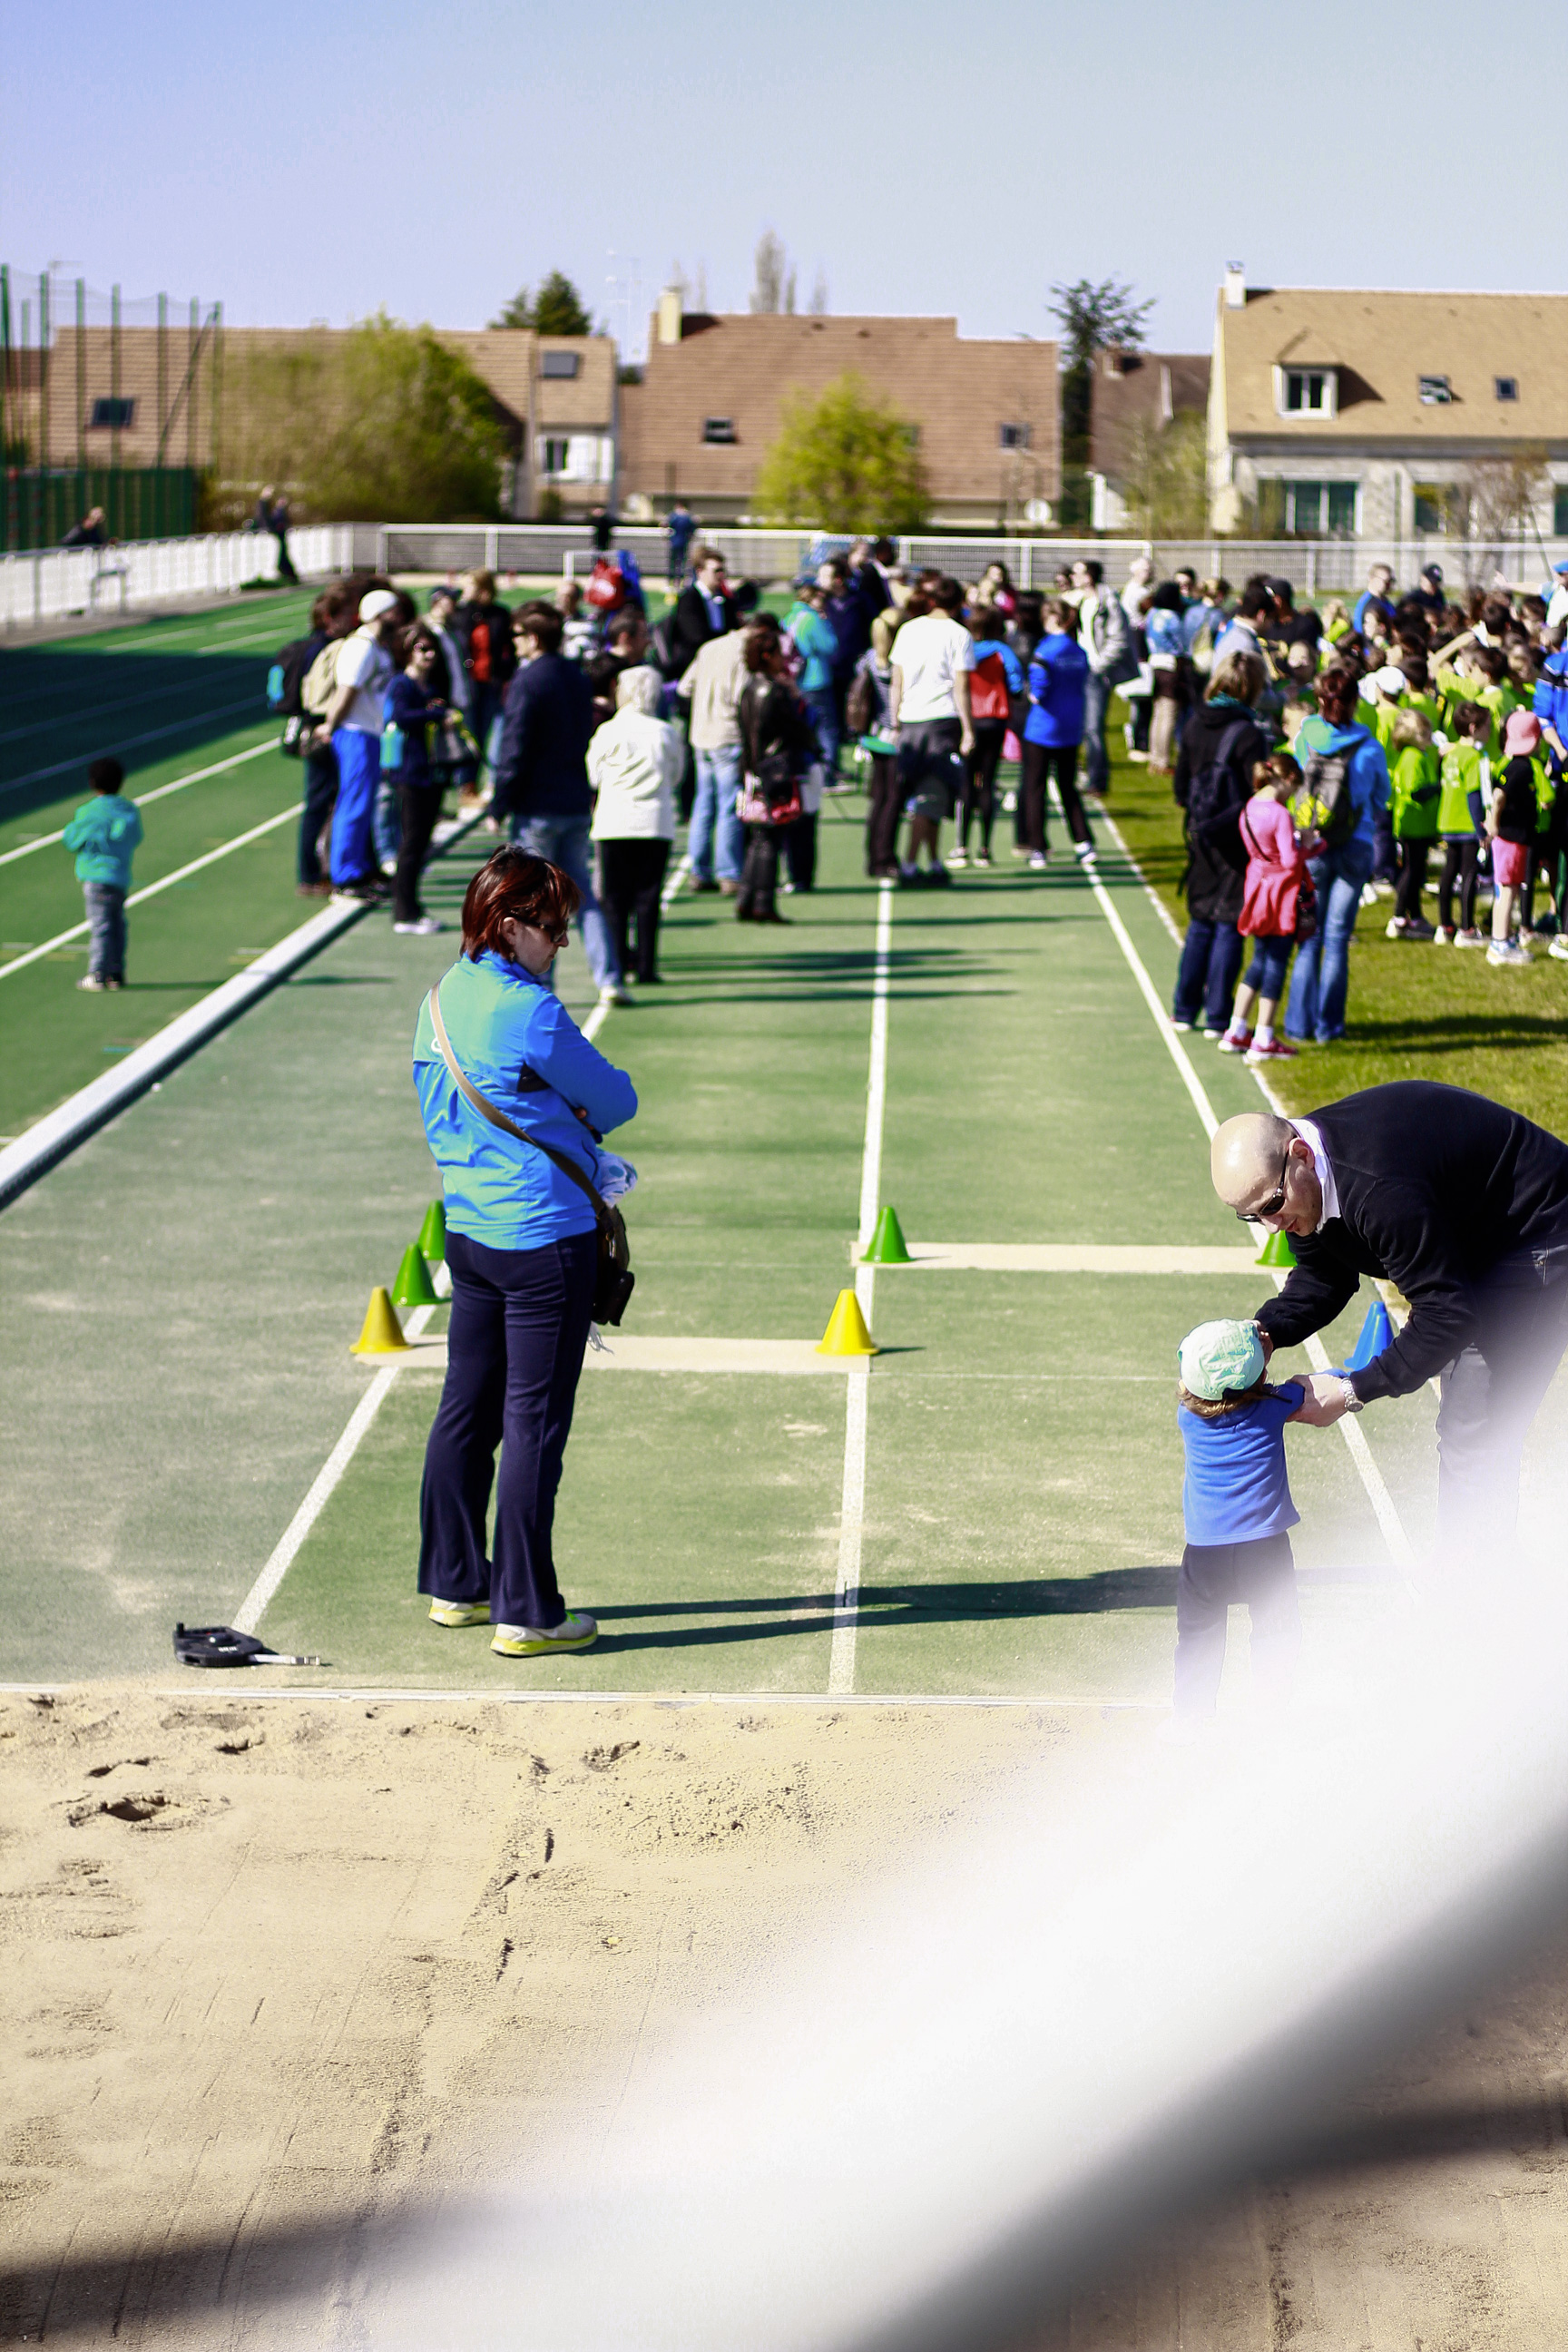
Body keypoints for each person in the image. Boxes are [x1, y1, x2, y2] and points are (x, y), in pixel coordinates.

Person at [412, 849, 637, 1657]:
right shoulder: (530, 1012)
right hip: (545, 1238)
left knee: (465, 1410)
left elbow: (440, 1107)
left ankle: (455, 1583)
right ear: (509, 927)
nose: (562, 945)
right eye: (552, 928)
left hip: (470, 1232)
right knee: (534, 1423)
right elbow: (619, 1098)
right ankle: (528, 1610)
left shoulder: (440, 1000)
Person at [1210, 1093, 1568, 1555]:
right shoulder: (1305, 1186)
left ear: (1299, 1154)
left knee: (1477, 1433)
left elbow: (1449, 1317)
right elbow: (1325, 1277)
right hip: (1476, 1239)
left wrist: (1350, 1391)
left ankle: (1477, 1608)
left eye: (1272, 1204)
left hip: (1540, 1237)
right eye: (1251, 1215)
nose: (1271, 1226)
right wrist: (1263, 1334)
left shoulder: (1376, 1189)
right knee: (1468, 1422)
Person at [1167, 1318, 1325, 1740]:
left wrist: (1252, 1367)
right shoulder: (1277, 1405)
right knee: (1277, 1630)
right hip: (1266, 1550)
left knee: (1198, 1635)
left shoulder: (1189, 1416)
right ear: (1259, 1372)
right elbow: (1312, 1389)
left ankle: (1191, 1720)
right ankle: (1270, 1719)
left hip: (1205, 1553)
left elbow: (1217, 1389)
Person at [494, 602, 627, 1007]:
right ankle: (609, 978)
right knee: (580, 894)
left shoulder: (529, 680)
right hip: (572, 797)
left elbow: (515, 743)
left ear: (532, 638)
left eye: (517, 636)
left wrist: (500, 800)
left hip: (537, 803)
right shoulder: (575, 675)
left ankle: (540, 985)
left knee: (533, 901)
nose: (513, 644)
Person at [1281, 665, 1389, 1046]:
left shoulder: (1306, 735)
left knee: (1309, 937)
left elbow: (1293, 782)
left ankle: (1298, 1024)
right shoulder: (1369, 746)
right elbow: (1381, 798)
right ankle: (1329, 1027)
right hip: (1356, 845)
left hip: (1312, 843)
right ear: (1355, 703)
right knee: (1337, 938)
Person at [1171, 652, 1270, 1036]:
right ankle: (1217, 1015)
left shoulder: (1196, 723)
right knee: (1229, 924)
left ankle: (1184, 1008)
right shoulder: (1249, 734)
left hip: (1200, 833)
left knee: (1200, 923)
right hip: (1236, 835)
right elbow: (1256, 791)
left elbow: (1181, 785)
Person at [1219, 751, 1314, 1065]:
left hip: (1257, 890)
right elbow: (1288, 861)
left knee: (1259, 959)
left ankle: (1236, 1028)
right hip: (1281, 896)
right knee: (1276, 961)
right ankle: (1264, 1036)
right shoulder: (1280, 814)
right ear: (1286, 780)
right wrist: (1310, 845)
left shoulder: (1250, 807)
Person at [588, 667, 682, 984]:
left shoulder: (608, 731)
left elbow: (593, 776)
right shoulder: (665, 732)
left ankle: (615, 963)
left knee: (614, 899)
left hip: (614, 820)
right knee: (648, 898)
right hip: (654, 822)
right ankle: (646, 966)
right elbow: (676, 775)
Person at [888, 575, 974, 887]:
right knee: (929, 797)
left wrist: (894, 720)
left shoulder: (908, 629)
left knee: (932, 797)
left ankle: (933, 861)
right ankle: (910, 863)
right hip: (941, 721)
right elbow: (961, 686)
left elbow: (895, 681)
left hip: (911, 721)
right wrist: (968, 730)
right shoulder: (959, 634)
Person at [735, 618, 817, 922]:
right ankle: (763, 904)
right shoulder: (772, 691)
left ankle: (747, 899)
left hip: (755, 770)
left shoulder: (751, 687)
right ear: (768, 656)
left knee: (759, 837)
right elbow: (793, 728)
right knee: (770, 838)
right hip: (772, 771)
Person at [322, 588, 400, 898]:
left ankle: (361, 866)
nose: (399, 617)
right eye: (393, 611)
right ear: (380, 613)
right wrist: (331, 725)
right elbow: (347, 690)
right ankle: (346, 875)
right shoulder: (361, 648)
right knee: (354, 803)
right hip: (356, 732)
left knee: (364, 803)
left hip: (369, 732)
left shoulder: (376, 646)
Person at [382, 627, 451, 937]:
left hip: (431, 771)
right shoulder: (401, 684)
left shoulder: (431, 684)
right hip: (410, 772)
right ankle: (404, 911)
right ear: (408, 651)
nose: (429, 655)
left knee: (422, 842)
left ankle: (412, 906)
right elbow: (399, 716)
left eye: (432, 648)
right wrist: (434, 715)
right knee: (411, 843)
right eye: (423, 649)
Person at [1020, 600, 1093, 871]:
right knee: (1068, 787)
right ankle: (1084, 842)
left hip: (1042, 729)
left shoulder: (1045, 651)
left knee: (1035, 788)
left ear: (1051, 618)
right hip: (1071, 727)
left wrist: (1029, 693)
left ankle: (1038, 847)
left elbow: (1037, 692)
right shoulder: (1079, 651)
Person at [678, 618, 749, 896]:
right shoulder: (741, 653)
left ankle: (700, 870)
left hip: (701, 734)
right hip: (727, 735)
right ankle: (729, 873)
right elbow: (740, 696)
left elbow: (685, 687)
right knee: (728, 805)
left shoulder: (709, 648)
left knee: (703, 803)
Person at [64, 756, 142, 992]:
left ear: (92, 783)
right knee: (118, 925)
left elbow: (71, 840)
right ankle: (116, 973)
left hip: (96, 877)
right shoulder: (128, 810)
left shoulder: (89, 811)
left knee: (101, 926)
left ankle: (98, 973)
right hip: (119, 876)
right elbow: (135, 837)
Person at [954, 607, 1022, 868]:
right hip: (994, 719)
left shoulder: (963, 650)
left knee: (966, 782)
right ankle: (985, 848)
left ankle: (961, 845)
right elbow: (1015, 681)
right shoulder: (1002, 651)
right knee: (988, 781)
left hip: (969, 719)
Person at [1485, 710, 1544, 967]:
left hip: (1516, 839)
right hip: (1510, 839)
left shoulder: (1515, 765)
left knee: (1509, 890)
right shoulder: (1519, 767)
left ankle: (1504, 939)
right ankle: (1499, 943)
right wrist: (1493, 824)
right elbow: (1499, 796)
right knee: (1507, 891)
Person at [1070, 559, 1132, 798]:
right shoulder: (1078, 600)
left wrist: (1098, 666)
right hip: (1078, 670)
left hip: (1095, 673)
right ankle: (1086, 773)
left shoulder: (1107, 601)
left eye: (1077, 572)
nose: (1073, 576)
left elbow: (1119, 640)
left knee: (1094, 728)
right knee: (1083, 727)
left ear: (1089, 576)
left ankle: (1098, 781)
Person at [1433, 698, 1490, 946]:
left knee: (1448, 874)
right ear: (1474, 728)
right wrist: (1481, 830)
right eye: (1488, 726)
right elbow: (1473, 795)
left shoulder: (1450, 754)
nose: (1491, 731)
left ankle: (1445, 926)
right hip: (1467, 824)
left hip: (1447, 821)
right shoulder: (1474, 757)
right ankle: (1466, 929)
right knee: (1469, 875)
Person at [455, 569, 519, 783]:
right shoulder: (461, 613)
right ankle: (467, 783)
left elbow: (509, 648)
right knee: (471, 734)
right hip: (468, 683)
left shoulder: (500, 614)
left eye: (469, 585)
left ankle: (493, 782)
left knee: (494, 735)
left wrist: (503, 673)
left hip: (491, 683)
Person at [1384, 707, 1441, 940]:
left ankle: (1415, 915)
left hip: (1422, 825)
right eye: (1422, 733)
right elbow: (1415, 792)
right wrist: (1439, 787)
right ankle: (1399, 916)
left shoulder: (1421, 755)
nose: (1428, 737)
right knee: (1411, 870)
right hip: (1413, 826)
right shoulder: (1412, 757)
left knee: (1417, 870)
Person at [785, 578, 843, 780]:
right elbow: (830, 645)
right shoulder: (812, 619)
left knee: (804, 726)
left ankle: (807, 769)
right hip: (815, 678)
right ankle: (828, 773)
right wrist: (826, 623)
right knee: (826, 727)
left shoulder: (791, 616)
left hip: (796, 680)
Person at [664, 546, 738, 678]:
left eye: (723, 570)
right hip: (695, 666)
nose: (721, 575)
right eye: (716, 571)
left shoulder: (725, 600)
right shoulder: (689, 599)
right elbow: (694, 636)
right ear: (700, 571)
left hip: (721, 664)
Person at [1144, 583, 1191, 777]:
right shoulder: (1172, 618)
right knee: (1168, 714)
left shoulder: (1152, 613)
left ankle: (1154, 757)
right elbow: (1181, 645)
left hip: (1154, 663)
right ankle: (1163, 760)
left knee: (1157, 713)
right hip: (1171, 665)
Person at [666, 499, 696, 585]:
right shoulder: (689, 517)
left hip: (674, 542)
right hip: (684, 542)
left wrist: (667, 537)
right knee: (682, 562)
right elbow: (693, 530)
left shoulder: (674, 516)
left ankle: (670, 581)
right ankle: (679, 582)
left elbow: (666, 526)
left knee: (673, 562)